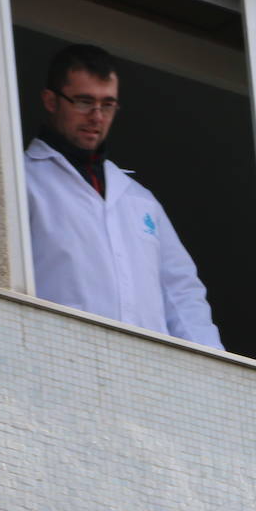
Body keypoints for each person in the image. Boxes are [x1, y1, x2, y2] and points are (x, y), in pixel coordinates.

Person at [24, 44, 223, 349]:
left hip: (146, 377)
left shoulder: (139, 199)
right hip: (59, 360)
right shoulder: (24, 179)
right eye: (84, 102)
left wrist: (213, 368)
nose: (97, 117)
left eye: (108, 105)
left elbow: (181, 292)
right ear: (51, 101)